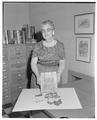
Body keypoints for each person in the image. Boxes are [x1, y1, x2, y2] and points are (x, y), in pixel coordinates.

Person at [31, 20, 66, 88]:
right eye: (43, 30)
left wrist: (58, 74)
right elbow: (33, 63)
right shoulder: (37, 46)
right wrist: (37, 76)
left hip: (54, 76)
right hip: (39, 75)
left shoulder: (60, 45)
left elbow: (62, 63)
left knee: (53, 97)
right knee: (37, 97)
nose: (45, 33)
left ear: (53, 31)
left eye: (48, 30)